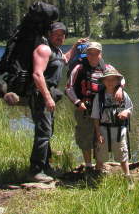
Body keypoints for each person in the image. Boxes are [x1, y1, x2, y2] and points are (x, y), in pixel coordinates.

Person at [29, 21, 86, 182]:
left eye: (62, 34)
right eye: (56, 34)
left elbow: (65, 60)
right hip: (41, 96)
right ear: (49, 34)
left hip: (49, 95)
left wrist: (75, 47)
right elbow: (37, 75)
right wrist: (47, 97)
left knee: (48, 131)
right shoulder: (44, 49)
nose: (60, 37)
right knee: (43, 133)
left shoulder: (56, 51)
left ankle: (45, 166)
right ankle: (36, 170)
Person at [65, 41, 124, 171]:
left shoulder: (107, 67)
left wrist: (119, 88)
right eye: (90, 53)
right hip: (84, 109)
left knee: (100, 136)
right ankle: (88, 166)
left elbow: (121, 78)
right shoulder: (79, 68)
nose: (93, 56)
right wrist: (77, 102)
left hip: (102, 110)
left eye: (96, 53)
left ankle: (99, 164)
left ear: (100, 54)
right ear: (86, 54)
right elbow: (69, 88)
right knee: (85, 136)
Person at [91, 68, 133, 180]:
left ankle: (127, 176)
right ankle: (97, 176)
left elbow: (130, 109)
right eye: (107, 80)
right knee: (100, 155)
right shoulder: (98, 97)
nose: (110, 82)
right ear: (103, 81)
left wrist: (125, 112)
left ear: (118, 81)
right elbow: (95, 117)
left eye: (113, 80)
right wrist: (98, 133)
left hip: (119, 131)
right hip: (103, 129)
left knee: (122, 154)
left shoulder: (123, 95)